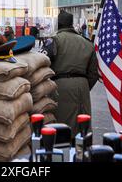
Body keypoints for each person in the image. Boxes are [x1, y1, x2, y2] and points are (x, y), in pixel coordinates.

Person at [40, 10, 100, 138]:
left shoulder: (53, 41)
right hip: (83, 86)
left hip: (60, 87)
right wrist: (84, 85)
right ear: (71, 24)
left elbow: (42, 63)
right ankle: (82, 153)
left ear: (58, 24)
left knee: (62, 127)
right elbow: (94, 72)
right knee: (83, 126)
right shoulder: (87, 43)